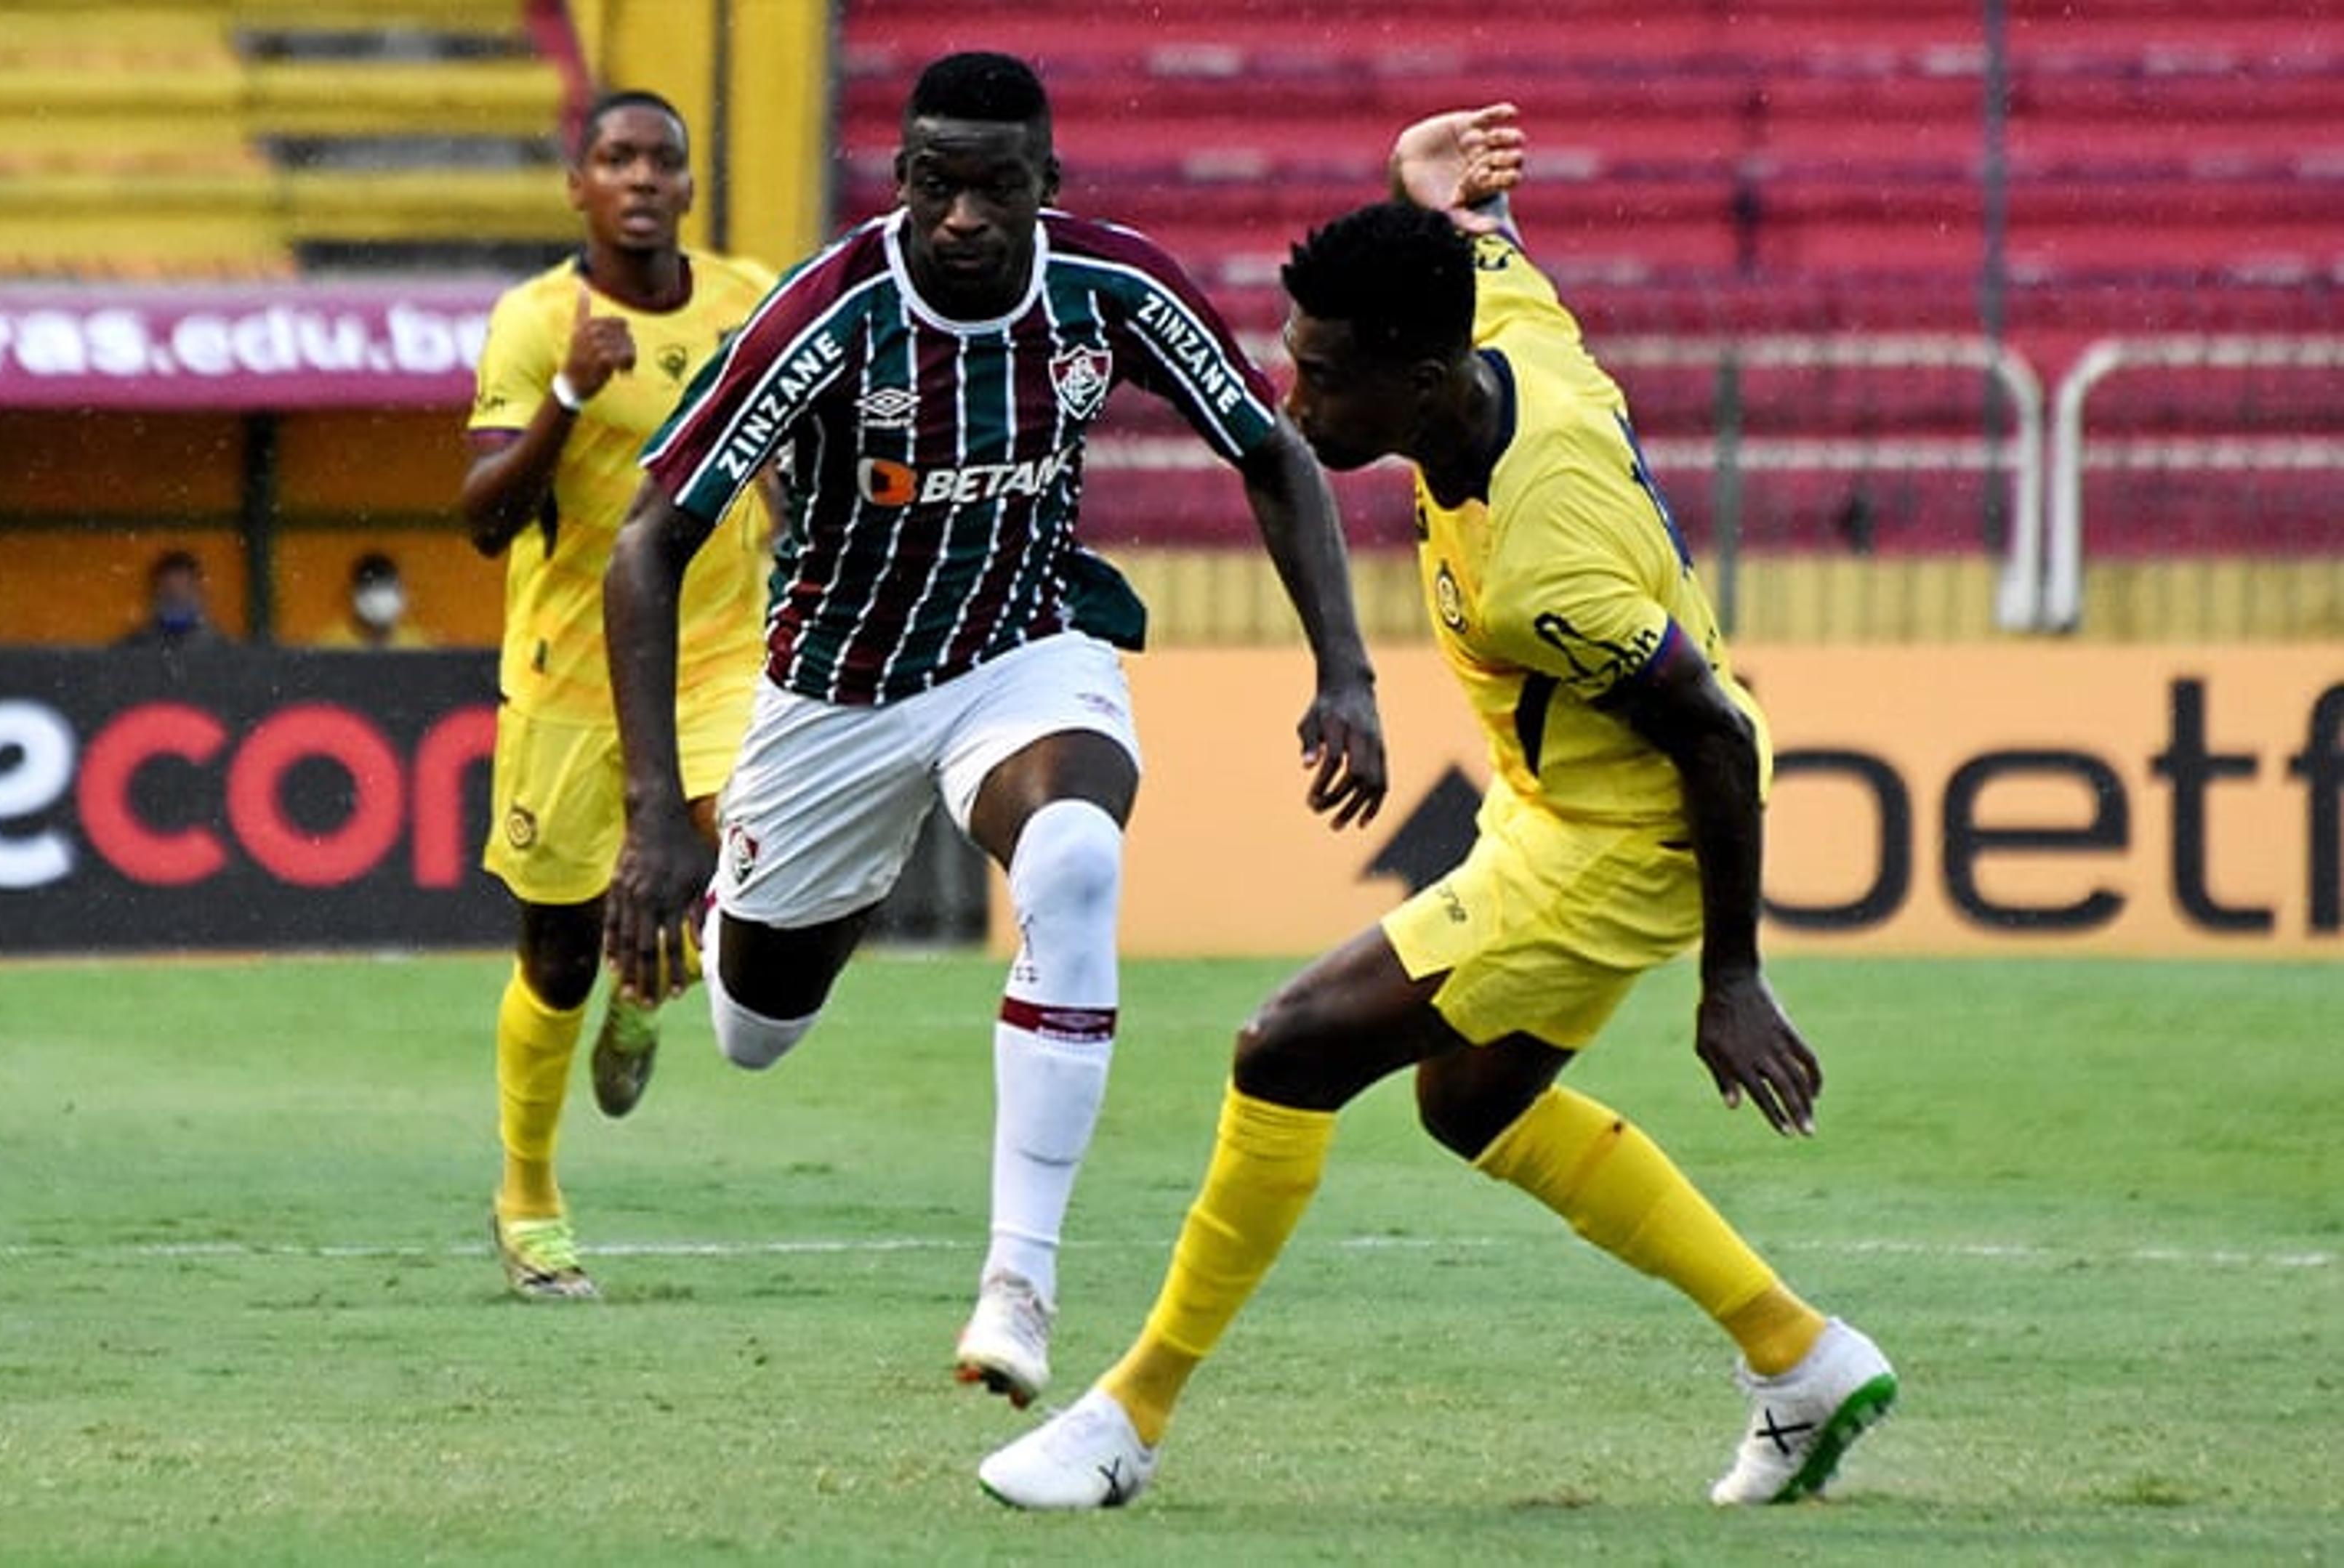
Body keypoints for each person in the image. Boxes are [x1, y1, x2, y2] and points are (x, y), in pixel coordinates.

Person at [979, 104, 1896, 1511]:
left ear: (1418, 382)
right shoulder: (1503, 329)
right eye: (1298, 364)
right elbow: (1480, 240)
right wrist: (1423, 182)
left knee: (1284, 1047)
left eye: (1328, 380)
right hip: (1557, 808)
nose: (1296, 404)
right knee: (1472, 1104)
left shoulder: (1547, 561)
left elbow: (1710, 733)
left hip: (1620, 840)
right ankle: (1799, 1355)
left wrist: (1733, 973)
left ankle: (1127, 1416)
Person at [603, 52, 1389, 1404]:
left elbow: (1272, 448)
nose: (963, 215)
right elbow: (650, 542)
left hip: (1024, 653)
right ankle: (731, 900)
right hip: (834, 697)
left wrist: (1348, 672)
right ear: (900, 180)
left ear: (1047, 186)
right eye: (934, 184)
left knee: (1077, 860)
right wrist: (652, 813)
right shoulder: (830, 312)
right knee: (757, 1031)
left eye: (996, 186)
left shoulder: (1113, 285)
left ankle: (1018, 1284)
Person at [456, 88, 781, 1300]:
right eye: (616, 158)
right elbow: (485, 520)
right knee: (555, 956)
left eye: (663, 160)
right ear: (578, 186)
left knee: (754, 849)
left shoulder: (748, 301)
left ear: (690, 187)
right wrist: (573, 398)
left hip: (717, 659)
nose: (641, 177)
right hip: (567, 682)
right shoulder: (538, 321)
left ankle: (660, 972)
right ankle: (528, 1189)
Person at [316, 551, 431, 650]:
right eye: (370, 587)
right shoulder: (331, 645)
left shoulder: (415, 645)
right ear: (353, 594)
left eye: (386, 587)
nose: (379, 597)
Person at [116, 549, 227, 650]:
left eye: (186, 588)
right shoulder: (133, 646)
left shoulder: (221, 648)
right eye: (169, 589)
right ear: (155, 593)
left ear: (199, 592)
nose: (177, 596)